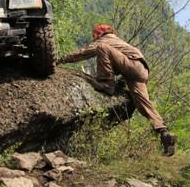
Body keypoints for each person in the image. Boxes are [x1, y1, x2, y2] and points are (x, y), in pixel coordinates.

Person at [56, 24, 176, 156]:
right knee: (143, 104)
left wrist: (61, 60)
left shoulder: (105, 39)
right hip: (142, 71)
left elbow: (83, 52)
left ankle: (106, 83)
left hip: (131, 66)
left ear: (99, 33)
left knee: (101, 48)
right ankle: (164, 132)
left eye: (94, 35)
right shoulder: (119, 41)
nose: (93, 38)